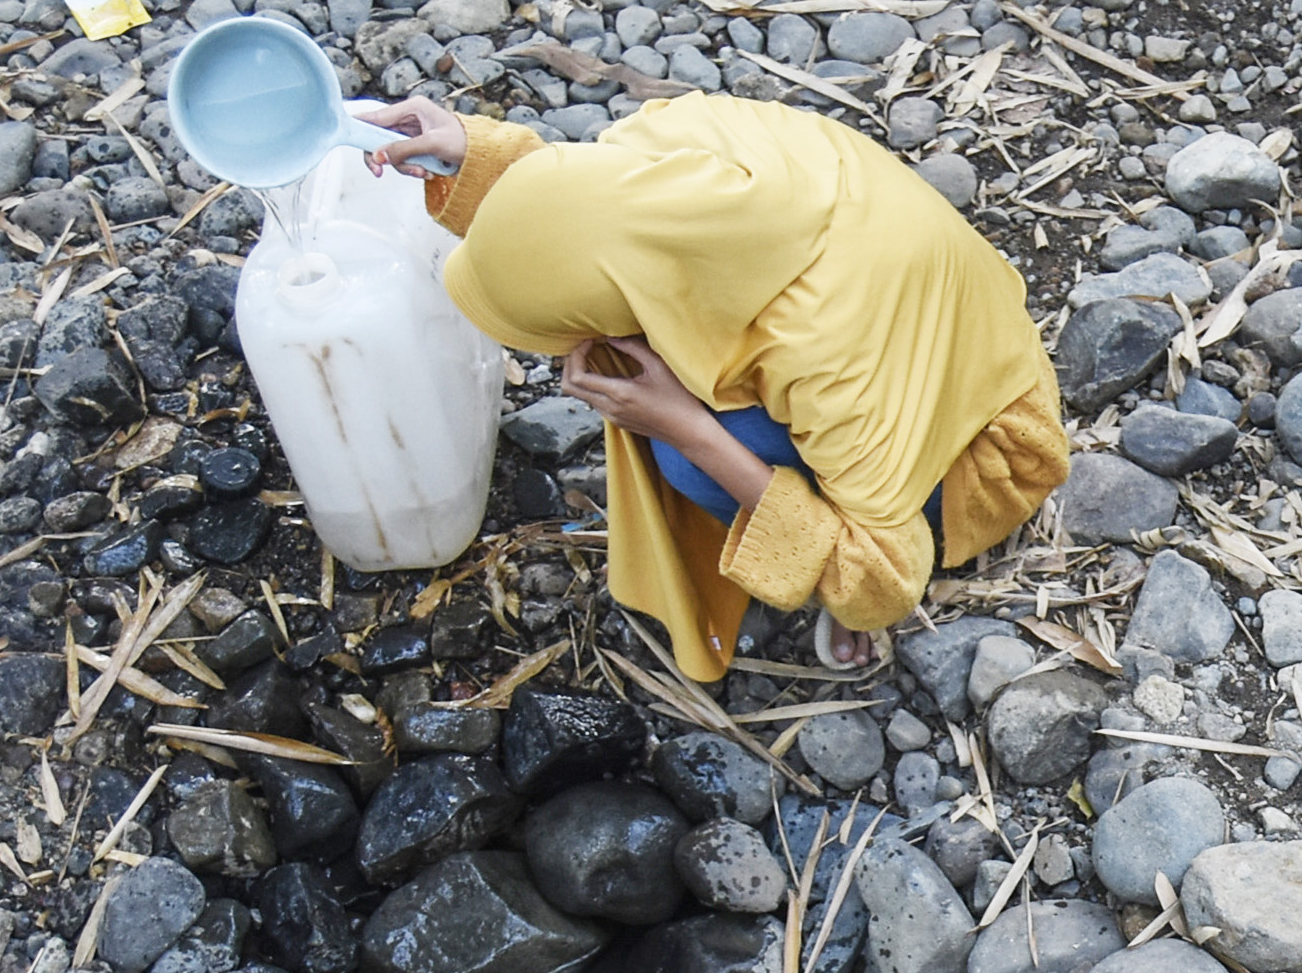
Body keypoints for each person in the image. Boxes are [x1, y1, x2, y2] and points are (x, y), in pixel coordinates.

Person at [354, 90, 1064, 682]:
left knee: (685, 454)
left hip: (985, 441)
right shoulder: (666, 134)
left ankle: (806, 515)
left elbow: (885, 578)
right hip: (931, 325)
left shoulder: (824, 356)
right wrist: (474, 155)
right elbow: (593, 200)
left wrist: (685, 427)